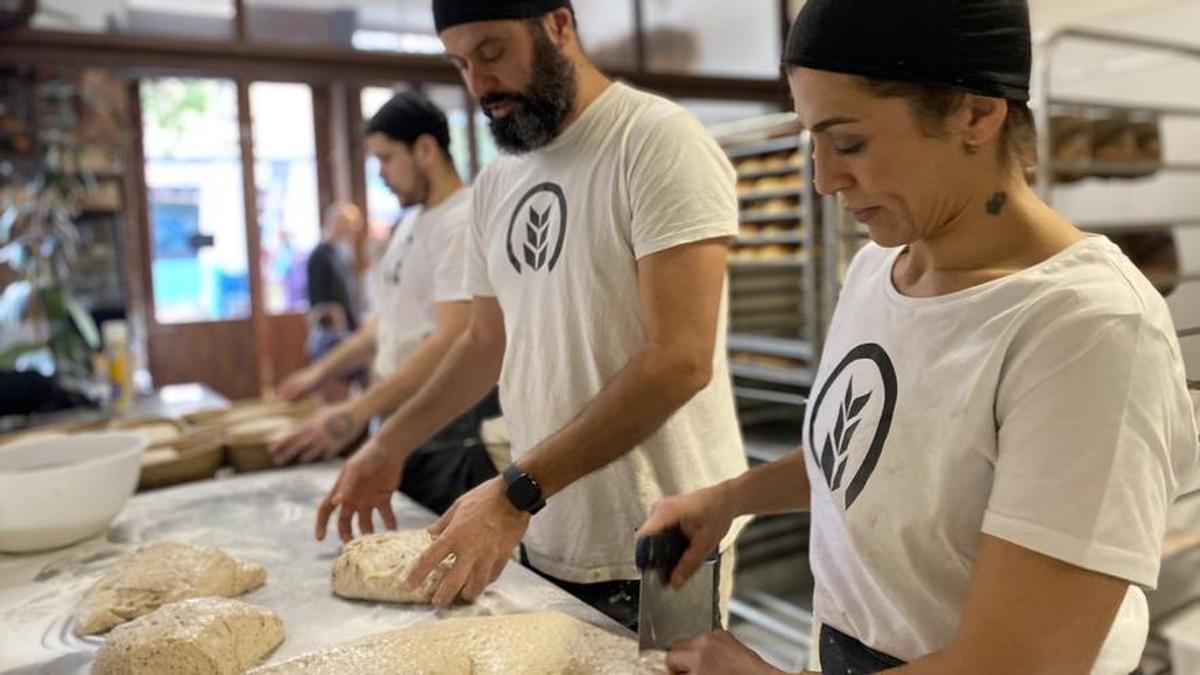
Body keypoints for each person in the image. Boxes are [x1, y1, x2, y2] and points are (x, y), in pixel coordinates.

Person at [639, 1, 1199, 674]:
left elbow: (1018, 663)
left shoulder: (1088, 330)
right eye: (811, 141)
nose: (823, 179)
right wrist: (729, 499)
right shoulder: (881, 265)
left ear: (975, 113)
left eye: (848, 143)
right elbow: (879, 458)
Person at [314, 0, 750, 630]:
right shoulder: (497, 184)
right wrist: (388, 444)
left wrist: (519, 489)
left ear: (559, 25)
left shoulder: (655, 141)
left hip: (668, 538)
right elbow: (482, 342)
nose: (479, 84)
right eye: (461, 64)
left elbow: (680, 359)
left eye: (492, 53)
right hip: (547, 528)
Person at [275, 91, 498, 515]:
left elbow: (451, 339)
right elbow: (385, 323)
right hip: (400, 421)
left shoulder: (461, 220)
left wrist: (355, 413)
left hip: (446, 428)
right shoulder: (409, 222)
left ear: (426, 149)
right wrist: (319, 374)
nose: (380, 173)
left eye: (386, 158)